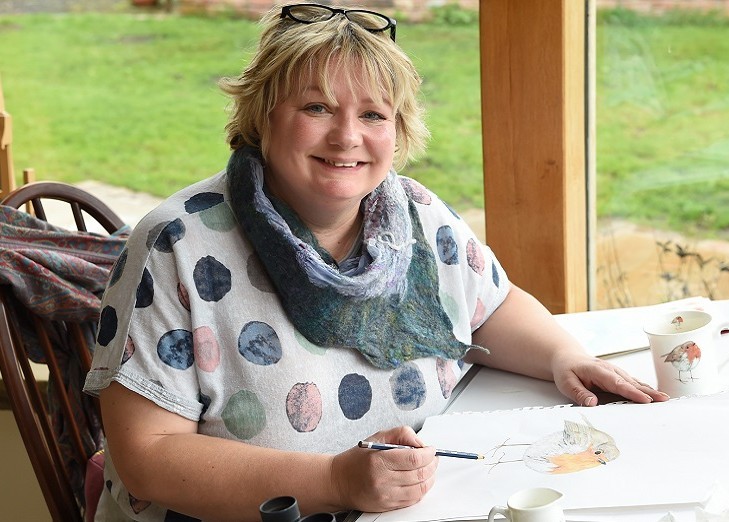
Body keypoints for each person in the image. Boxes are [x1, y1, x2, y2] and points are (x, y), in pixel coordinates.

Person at [83, 4, 669, 521]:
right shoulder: (175, 245)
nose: (347, 137)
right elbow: (149, 457)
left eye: (373, 115)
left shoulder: (413, 211)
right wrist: (334, 482)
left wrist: (565, 356)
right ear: (262, 117)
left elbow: (491, 304)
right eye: (317, 107)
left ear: (399, 129)